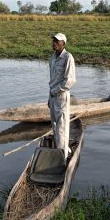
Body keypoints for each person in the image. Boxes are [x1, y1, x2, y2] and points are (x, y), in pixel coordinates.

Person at [48, 32, 76, 160]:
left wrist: (55, 91)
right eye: (53, 41)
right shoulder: (52, 58)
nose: (54, 43)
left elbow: (70, 81)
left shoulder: (68, 57)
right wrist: (50, 96)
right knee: (54, 125)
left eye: (57, 41)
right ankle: (59, 150)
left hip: (61, 96)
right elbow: (52, 79)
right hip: (53, 95)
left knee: (62, 127)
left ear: (63, 43)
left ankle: (63, 156)